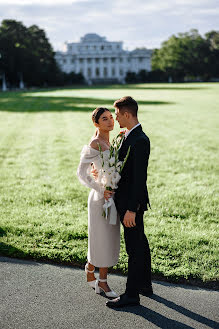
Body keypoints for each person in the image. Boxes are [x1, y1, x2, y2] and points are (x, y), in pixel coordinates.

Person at [106, 96, 153, 308]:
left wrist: (132, 210)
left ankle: (132, 295)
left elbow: (139, 179)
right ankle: (144, 284)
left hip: (131, 205)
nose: (115, 118)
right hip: (126, 201)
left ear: (127, 114)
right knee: (140, 243)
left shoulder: (140, 140)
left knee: (133, 248)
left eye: (117, 114)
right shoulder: (128, 136)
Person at [77, 107, 120, 298]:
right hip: (99, 199)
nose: (110, 121)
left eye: (111, 117)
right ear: (96, 123)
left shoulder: (110, 141)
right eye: (105, 119)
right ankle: (102, 282)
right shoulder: (95, 143)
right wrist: (101, 188)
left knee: (107, 240)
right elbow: (81, 173)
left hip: (112, 199)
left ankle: (89, 268)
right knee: (101, 240)